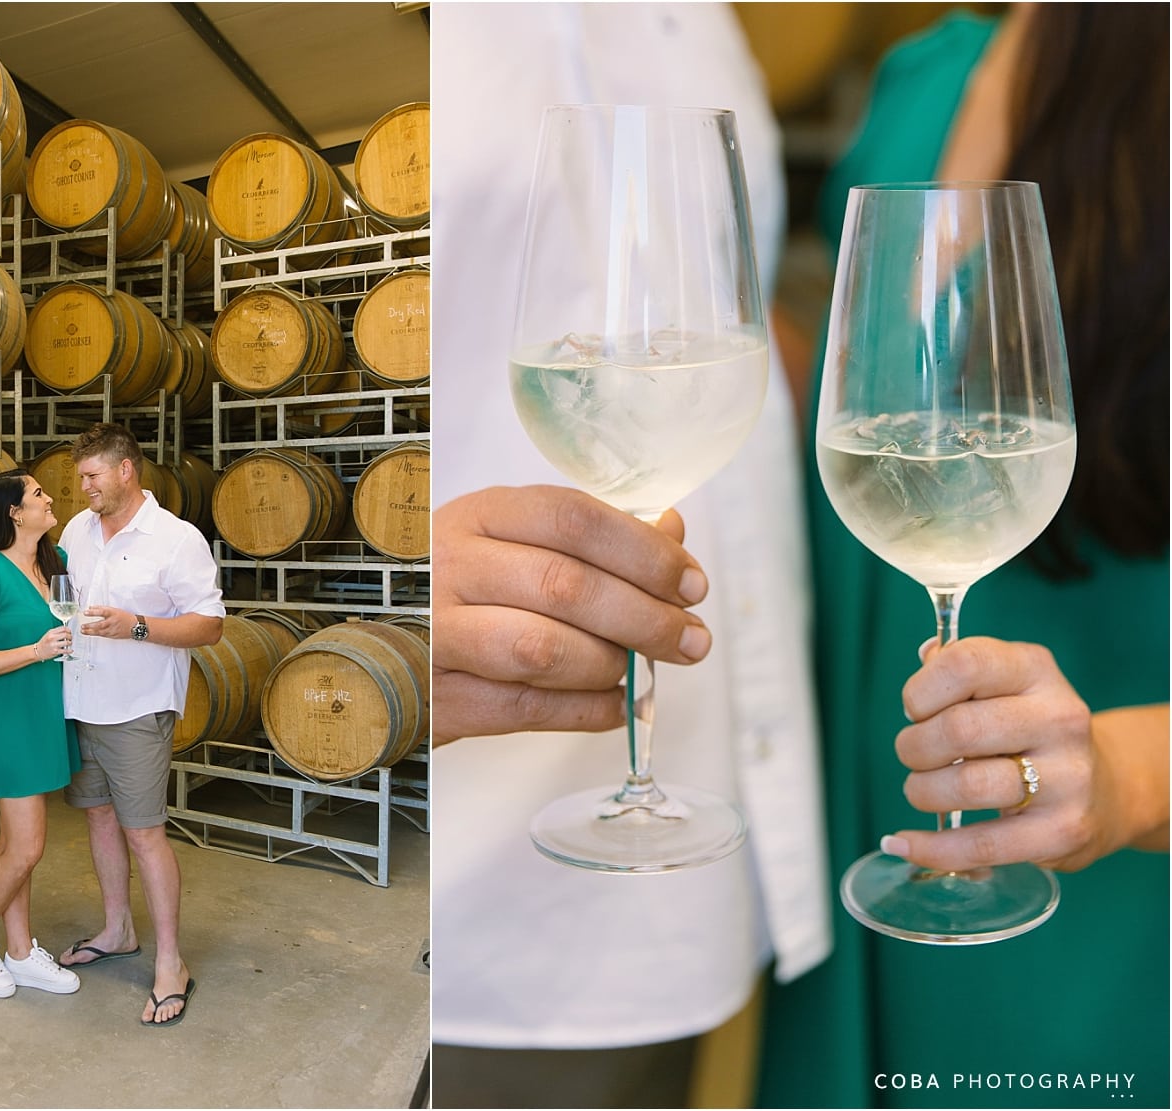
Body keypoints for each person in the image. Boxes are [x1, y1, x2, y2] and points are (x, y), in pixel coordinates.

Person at [759, 5, 1170, 1107]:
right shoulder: (922, 72)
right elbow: (895, 410)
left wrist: (1132, 780)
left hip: (1101, 925)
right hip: (865, 864)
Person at [429, 5, 831, 1106]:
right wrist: (357, 596)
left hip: (703, 882)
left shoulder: (700, 17)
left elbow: (719, 318)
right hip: (463, 903)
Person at [54, 423, 225, 1027]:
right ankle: (117, 928)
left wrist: (137, 626)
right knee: (98, 818)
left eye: (92, 475)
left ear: (126, 470)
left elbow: (209, 625)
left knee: (145, 832)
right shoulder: (76, 530)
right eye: (80, 477)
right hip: (81, 700)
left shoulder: (176, 540)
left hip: (138, 708)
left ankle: (171, 963)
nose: (83, 487)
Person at [0, 468, 82, 999]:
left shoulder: (55, 565)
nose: (50, 499)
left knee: (15, 845)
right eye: (38, 494)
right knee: (26, 849)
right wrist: (36, 650)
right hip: (7, 719)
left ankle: (22, 951)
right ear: (13, 512)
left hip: (43, 713)